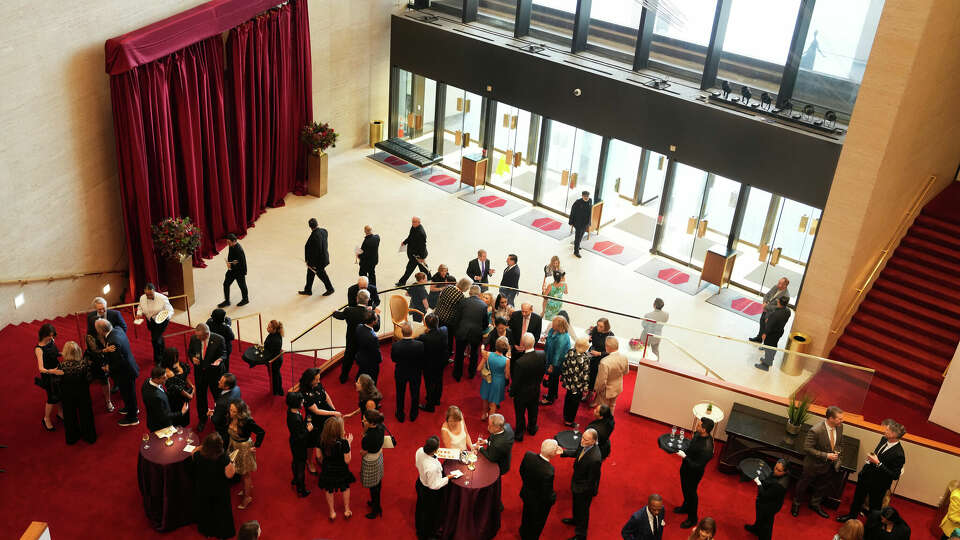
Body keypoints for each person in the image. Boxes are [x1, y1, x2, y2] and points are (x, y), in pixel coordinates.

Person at [837, 419, 906, 522]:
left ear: (894, 434)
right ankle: (851, 517)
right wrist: (869, 462)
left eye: (887, 430)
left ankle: (871, 526)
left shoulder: (899, 454)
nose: (884, 431)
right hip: (866, 476)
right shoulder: (883, 439)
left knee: (875, 507)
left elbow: (895, 475)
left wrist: (878, 463)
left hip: (879, 485)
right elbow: (877, 454)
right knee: (857, 499)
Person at [793, 405, 844, 518]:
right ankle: (796, 503)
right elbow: (807, 448)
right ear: (831, 418)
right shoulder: (816, 430)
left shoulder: (840, 427)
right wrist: (826, 455)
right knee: (803, 486)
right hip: (813, 465)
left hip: (828, 466)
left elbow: (840, 443)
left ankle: (814, 504)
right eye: (839, 418)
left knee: (822, 486)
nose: (842, 420)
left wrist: (837, 452)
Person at [191, 432, 236, 539]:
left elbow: (193, 454)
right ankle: (221, 533)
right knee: (221, 512)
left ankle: (208, 531)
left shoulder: (198, 455)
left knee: (206, 510)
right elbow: (230, 475)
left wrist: (202, 447)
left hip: (203, 488)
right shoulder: (224, 458)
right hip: (219, 490)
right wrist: (233, 463)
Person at [561, 427, 603, 540]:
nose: (582, 441)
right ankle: (575, 519)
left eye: (586, 440)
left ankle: (581, 535)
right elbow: (576, 453)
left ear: (594, 441)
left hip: (584, 490)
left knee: (583, 511)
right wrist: (563, 452)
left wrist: (580, 490)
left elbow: (592, 480)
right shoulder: (584, 444)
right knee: (576, 505)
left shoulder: (595, 459)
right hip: (577, 483)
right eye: (583, 438)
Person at [97, 319, 140, 427]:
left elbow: (119, 361)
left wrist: (108, 368)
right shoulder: (117, 329)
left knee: (129, 394)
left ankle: (132, 417)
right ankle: (131, 409)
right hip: (129, 368)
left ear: (101, 331)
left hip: (125, 372)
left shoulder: (113, 341)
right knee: (128, 393)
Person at [519, 438, 564, 540]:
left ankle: (523, 532)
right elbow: (547, 495)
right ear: (553, 453)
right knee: (536, 524)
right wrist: (554, 498)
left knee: (526, 516)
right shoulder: (549, 471)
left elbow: (521, 471)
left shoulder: (528, 455)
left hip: (526, 494)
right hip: (538, 505)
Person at [675, 417, 715, 529]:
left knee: (691, 494)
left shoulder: (707, 448)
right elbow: (691, 444)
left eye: (699, 425)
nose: (696, 426)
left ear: (704, 430)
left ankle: (692, 519)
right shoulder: (698, 434)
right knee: (684, 488)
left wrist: (685, 457)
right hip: (686, 468)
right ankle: (685, 507)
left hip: (694, 473)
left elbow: (698, 466)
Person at [299, 368, 341, 473]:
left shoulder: (318, 384)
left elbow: (326, 396)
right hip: (314, 421)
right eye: (316, 379)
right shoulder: (305, 393)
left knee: (324, 438)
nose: (319, 381)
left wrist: (333, 409)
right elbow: (316, 411)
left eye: (319, 379)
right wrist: (333, 413)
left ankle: (320, 455)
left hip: (325, 416)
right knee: (311, 442)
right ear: (310, 380)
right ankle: (309, 461)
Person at [415, 436, 456, 539]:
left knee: (421, 507)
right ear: (434, 450)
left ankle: (419, 527)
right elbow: (434, 485)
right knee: (429, 513)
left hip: (420, 483)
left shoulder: (420, 450)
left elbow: (417, 464)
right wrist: (448, 478)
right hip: (429, 492)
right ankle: (426, 534)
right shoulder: (432, 467)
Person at [332, 288, 377, 383]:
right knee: (364, 358)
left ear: (357, 299)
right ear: (368, 300)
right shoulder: (369, 313)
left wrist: (334, 312)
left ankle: (343, 377)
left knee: (348, 357)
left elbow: (339, 316)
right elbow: (376, 327)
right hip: (364, 341)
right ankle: (361, 378)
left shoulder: (349, 310)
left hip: (351, 339)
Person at [227, 399, 265, 510]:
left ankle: (247, 497)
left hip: (244, 448)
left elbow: (261, 432)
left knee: (246, 474)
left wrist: (256, 445)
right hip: (233, 445)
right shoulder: (229, 416)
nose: (231, 413)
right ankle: (245, 489)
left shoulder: (247, 421)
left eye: (234, 411)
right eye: (230, 410)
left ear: (240, 412)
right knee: (240, 471)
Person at [189, 323, 227, 432]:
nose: (197, 338)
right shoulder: (194, 338)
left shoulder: (219, 339)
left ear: (206, 334)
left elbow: (224, 354)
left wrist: (218, 361)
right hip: (200, 373)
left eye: (199, 336)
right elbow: (190, 352)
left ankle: (220, 419)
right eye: (196, 336)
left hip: (214, 374)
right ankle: (202, 419)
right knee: (200, 397)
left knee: (218, 397)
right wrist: (192, 358)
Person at [317, 416, 355, 521]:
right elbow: (347, 460)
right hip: (341, 469)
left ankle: (332, 512)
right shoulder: (343, 443)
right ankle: (347, 510)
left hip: (327, 469)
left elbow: (319, 457)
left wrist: (325, 463)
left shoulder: (321, 440)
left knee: (329, 489)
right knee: (345, 487)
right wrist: (349, 443)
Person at [59, 341, 96, 444]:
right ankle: (89, 436)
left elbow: (57, 382)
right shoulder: (83, 365)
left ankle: (72, 437)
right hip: (83, 393)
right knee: (86, 415)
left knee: (69, 416)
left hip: (67, 395)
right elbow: (90, 379)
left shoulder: (61, 367)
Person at [511, 333, 546, 441]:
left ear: (523, 344)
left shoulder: (520, 362)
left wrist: (512, 393)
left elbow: (516, 381)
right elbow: (542, 372)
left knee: (520, 413)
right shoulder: (542, 354)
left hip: (521, 393)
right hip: (535, 389)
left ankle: (519, 434)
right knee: (533, 410)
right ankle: (532, 428)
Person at [745, 459, 789, 540]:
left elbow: (764, 495)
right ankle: (756, 529)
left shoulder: (780, 485)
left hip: (769, 506)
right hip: (765, 501)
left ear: (785, 472)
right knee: (760, 517)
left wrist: (758, 483)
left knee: (766, 525)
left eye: (779, 470)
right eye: (775, 468)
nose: (775, 471)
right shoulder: (777, 475)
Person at [453, 284, 489, 381]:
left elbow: (457, 318)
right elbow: (485, 323)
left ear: (469, 293)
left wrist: (456, 331)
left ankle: (457, 375)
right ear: (479, 294)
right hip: (476, 333)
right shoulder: (484, 305)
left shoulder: (462, 302)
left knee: (459, 354)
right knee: (474, 354)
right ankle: (471, 373)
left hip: (462, 331)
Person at [83, 313, 115, 413]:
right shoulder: (89, 336)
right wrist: (105, 350)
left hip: (105, 357)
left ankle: (108, 401)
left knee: (105, 380)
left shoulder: (104, 330)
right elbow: (94, 351)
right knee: (89, 380)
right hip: (94, 360)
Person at [392, 322, 423, 422]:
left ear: (401, 332)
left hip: (401, 373)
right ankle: (414, 414)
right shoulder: (420, 345)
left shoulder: (396, 345)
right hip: (415, 373)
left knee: (400, 394)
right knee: (415, 393)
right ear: (412, 332)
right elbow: (421, 358)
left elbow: (393, 359)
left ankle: (400, 414)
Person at [137, 283, 174, 364]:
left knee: (155, 339)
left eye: (151, 294)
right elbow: (140, 307)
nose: (149, 296)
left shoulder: (162, 298)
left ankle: (159, 359)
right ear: (144, 291)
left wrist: (166, 317)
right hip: (150, 321)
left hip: (162, 321)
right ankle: (163, 355)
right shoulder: (142, 298)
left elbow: (170, 310)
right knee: (158, 338)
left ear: (154, 291)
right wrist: (139, 314)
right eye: (147, 294)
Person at [417, 314, 448, 412]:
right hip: (441, 361)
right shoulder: (444, 330)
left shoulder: (424, 337)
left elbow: (416, 342)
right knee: (439, 380)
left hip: (429, 364)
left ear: (426, 325)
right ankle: (437, 400)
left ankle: (430, 406)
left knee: (429, 384)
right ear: (437, 323)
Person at [36, 323, 63, 431]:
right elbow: (41, 368)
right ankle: (46, 418)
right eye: (49, 336)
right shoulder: (39, 349)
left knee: (60, 393)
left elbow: (55, 354)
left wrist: (63, 353)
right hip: (49, 375)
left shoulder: (51, 341)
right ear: (43, 335)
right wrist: (52, 371)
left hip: (57, 371)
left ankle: (60, 413)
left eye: (53, 335)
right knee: (52, 398)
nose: (52, 338)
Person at [435, 277, 470, 359]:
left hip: (438, 315)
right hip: (448, 321)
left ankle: (439, 350)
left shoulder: (448, 287)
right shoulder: (461, 297)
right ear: (465, 287)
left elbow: (440, 297)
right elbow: (460, 312)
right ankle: (447, 355)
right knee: (449, 338)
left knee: (438, 335)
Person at [285, 391, 312, 497]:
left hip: (293, 441)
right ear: (297, 403)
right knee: (301, 465)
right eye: (301, 401)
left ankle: (295, 479)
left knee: (295, 461)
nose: (303, 402)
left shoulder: (291, 411)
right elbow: (300, 436)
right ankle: (301, 489)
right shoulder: (295, 418)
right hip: (299, 444)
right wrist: (308, 429)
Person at [360, 409, 386, 519]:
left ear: (372, 423)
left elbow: (363, 452)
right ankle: (376, 504)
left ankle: (375, 509)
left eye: (365, 420)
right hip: (379, 458)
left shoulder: (367, 438)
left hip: (370, 462)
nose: (362, 421)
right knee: (378, 483)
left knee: (372, 487)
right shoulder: (381, 427)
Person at [560, 337, 592, 427]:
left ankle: (566, 416)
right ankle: (569, 421)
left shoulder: (570, 351)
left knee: (568, 399)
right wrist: (586, 388)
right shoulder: (585, 358)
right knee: (574, 403)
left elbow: (564, 365)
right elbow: (585, 375)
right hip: (578, 386)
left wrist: (564, 378)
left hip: (569, 383)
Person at [300, 217, 335, 296]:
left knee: (322, 275)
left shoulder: (313, 238)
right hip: (324, 257)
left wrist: (310, 263)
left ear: (310, 226)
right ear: (317, 223)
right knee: (310, 273)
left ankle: (330, 289)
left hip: (317, 262)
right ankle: (308, 289)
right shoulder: (324, 231)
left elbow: (315, 252)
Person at [593, 336, 629, 411]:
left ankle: (603, 422)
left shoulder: (604, 362)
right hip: (617, 387)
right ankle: (610, 421)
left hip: (606, 390)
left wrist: (597, 390)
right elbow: (626, 372)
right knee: (612, 405)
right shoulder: (624, 357)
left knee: (602, 409)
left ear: (607, 347)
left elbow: (601, 381)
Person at [755, 295, 791, 371]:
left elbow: (769, 326)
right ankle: (769, 361)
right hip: (779, 332)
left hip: (771, 334)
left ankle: (765, 365)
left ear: (779, 302)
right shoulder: (788, 311)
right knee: (773, 347)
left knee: (769, 349)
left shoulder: (776, 314)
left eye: (778, 301)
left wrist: (764, 334)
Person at [479, 337, 511, 419]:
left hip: (487, 379)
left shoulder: (487, 354)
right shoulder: (506, 360)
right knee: (493, 404)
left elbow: (478, 368)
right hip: (498, 382)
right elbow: (507, 376)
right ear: (506, 348)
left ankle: (484, 414)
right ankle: (491, 424)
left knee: (485, 399)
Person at [750, 277, 790, 343]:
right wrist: (764, 302)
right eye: (778, 282)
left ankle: (765, 343)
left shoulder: (786, 296)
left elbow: (779, 307)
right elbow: (767, 295)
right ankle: (759, 338)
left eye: (780, 283)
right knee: (762, 323)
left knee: (768, 329)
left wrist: (766, 306)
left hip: (772, 314)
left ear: (785, 285)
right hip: (765, 309)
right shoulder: (775, 287)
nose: (778, 284)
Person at [543, 315, 572, 405]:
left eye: (554, 323)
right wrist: (546, 338)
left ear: (559, 325)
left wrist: (552, 366)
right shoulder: (553, 330)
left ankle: (550, 398)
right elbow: (551, 338)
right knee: (553, 379)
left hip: (557, 363)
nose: (552, 324)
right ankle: (553, 394)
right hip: (550, 357)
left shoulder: (562, 337)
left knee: (553, 379)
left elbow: (558, 354)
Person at [162, 348, 194, 427]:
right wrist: (189, 395)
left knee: (185, 414)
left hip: (184, 393)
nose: (176, 358)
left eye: (177, 356)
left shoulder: (177, 363)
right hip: (176, 397)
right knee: (178, 416)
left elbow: (185, 376)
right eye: (174, 357)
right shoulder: (168, 372)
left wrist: (192, 385)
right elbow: (178, 389)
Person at [142, 366, 178, 432]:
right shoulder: (155, 397)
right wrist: (181, 413)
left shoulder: (148, 381)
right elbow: (164, 416)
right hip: (161, 426)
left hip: (155, 418)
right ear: (156, 379)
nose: (166, 378)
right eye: (164, 378)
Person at [397, 216, 430, 286]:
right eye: (412, 221)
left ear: (419, 222)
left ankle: (402, 282)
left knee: (409, 269)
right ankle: (429, 277)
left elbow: (422, 247)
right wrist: (405, 242)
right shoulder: (414, 227)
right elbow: (410, 236)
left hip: (417, 255)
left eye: (414, 222)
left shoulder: (421, 233)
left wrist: (422, 257)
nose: (413, 223)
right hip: (414, 253)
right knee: (423, 267)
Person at [586, 318, 613, 402]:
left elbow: (610, 351)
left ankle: (596, 397)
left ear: (606, 327)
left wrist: (599, 354)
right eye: (598, 325)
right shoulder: (595, 329)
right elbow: (591, 339)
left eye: (601, 326)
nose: (598, 328)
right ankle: (589, 392)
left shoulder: (610, 336)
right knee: (588, 373)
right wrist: (589, 339)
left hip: (602, 356)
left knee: (597, 377)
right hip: (592, 353)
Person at [219, 233, 249, 307]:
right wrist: (229, 264)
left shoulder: (239, 250)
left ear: (234, 241)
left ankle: (245, 299)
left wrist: (231, 264)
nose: (227, 244)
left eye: (229, 242)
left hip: (240, 271)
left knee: (242, 285)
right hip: (232, 270)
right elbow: (231, 257)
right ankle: (227, 301)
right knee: (226, 284)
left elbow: (241, 263)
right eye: (227, 242)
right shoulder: (231, 246)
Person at [210, 373, 242, 442]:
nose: (218, 382)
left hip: (224, 427)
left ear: (227, 387)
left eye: (221, 382)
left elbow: (215, 420)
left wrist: (211, 415)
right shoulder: (237, 389)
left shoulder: (221, 403)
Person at [356, 310, 383, 383]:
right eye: (377, 318)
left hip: (360, 357)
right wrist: (380, 360)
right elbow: (376, 353)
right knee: (373, 381)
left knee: (361, 371)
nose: (378, 319)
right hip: (370, 363)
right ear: (374, 322)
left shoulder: (359, 327)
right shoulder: (373, 337)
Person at [205, 308, 235, 373]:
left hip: (213, 348)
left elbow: (209, 321)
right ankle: (225, 374)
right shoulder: (226, 327)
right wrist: (228, 324)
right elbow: (232, 337)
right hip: (225, 349)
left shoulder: (209, 323)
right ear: (222, 319)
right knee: (225, 363)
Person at [263, 320, 285, 395]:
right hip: (276, 358)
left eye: (269, 327)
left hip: (274, 360)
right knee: (276, 374)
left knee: (275, 376)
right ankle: (278, 389)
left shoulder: (275, 340)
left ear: (274, 329)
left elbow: (270, 352)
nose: (267, 328)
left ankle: (276, 391)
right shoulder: (274, 334)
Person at [569, 191, 592, 258]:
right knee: (578, 236)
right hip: (578, 223)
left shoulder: (590, 201)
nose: (586, 197)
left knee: (581, 235)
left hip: (585, 223)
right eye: (585, 196)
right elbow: (572, 212)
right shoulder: (578, 202)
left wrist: (589, 222)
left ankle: (577, 245)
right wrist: (571, 222)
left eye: (587, 196)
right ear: (582, 196)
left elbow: (590, 213)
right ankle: (576, 252)